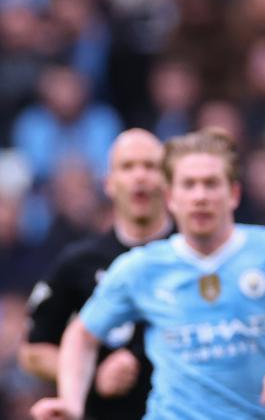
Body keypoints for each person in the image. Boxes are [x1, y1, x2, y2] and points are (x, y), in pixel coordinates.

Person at [31, 128, 265, 420]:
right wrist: (71, 402)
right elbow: (81, 335)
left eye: (211, 184)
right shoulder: (141, 268)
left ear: (234, 194)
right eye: (189, 185)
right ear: (170, 198)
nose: (200, 196)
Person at [21, 128, 173, 420]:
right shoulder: (79, 262)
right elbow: (33, 351)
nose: (139, 176)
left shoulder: (190, 256)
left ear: (168, 181)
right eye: (128, 167)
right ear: (109, 183)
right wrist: (91, 373)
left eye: (150, 166)